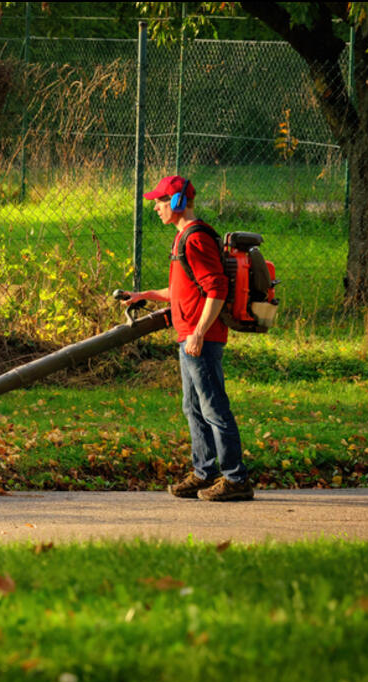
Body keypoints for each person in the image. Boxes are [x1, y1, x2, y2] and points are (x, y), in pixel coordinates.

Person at [123, 176, 253, 501]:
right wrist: (146, 294)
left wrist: (198, 332)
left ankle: (235, 478)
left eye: (160, 201)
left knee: (213, 408)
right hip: (191, 337)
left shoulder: (194, 240)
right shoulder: (184, 239)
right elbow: (184, 289)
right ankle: (204, 472)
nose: (155, 207)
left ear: (177, 202)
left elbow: (217, 289)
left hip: (201, 339)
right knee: (192, 407)